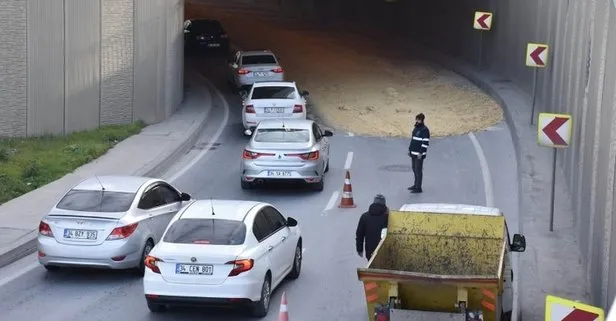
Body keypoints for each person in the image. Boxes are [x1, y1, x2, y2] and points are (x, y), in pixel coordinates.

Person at [356, 194, 389, 261]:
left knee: (372, 268)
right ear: (384, 205)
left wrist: (359, 249)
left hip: (370, 252)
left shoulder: (364, 217)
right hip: (385, 251)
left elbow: (359, 235)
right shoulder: (388, 217)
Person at [408, 113, 430, 193]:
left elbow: (425, 143)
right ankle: (415, 185)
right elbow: (413, 140)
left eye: (418, 119)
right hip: (413, 153)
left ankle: (418, 187)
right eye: (416, 119)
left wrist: (421, 153)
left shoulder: (424, 130)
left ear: (422, 120)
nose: (417, 121)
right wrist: (410, 150)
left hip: (419, 154)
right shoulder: (416, 128)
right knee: (414, 169)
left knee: (418, 170)